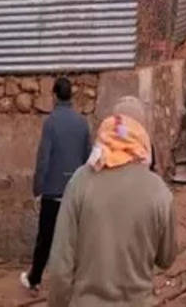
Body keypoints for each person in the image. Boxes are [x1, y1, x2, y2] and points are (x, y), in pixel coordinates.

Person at [46, 96, 177, 307]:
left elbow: (61, 265)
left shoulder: (81, 181)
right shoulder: (160, 192)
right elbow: (166, 258)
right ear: (143, 136)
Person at [21, 77, 93, 293]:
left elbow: (44, 158)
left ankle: (34, 279)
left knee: (45, 238)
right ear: (71, 95)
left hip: (53, 193)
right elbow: (88, 157)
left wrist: (38, 188)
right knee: (75, 240)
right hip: (75, 192)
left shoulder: (51, 122)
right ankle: (77, 281)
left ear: (53, 96)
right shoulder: (82, 123)